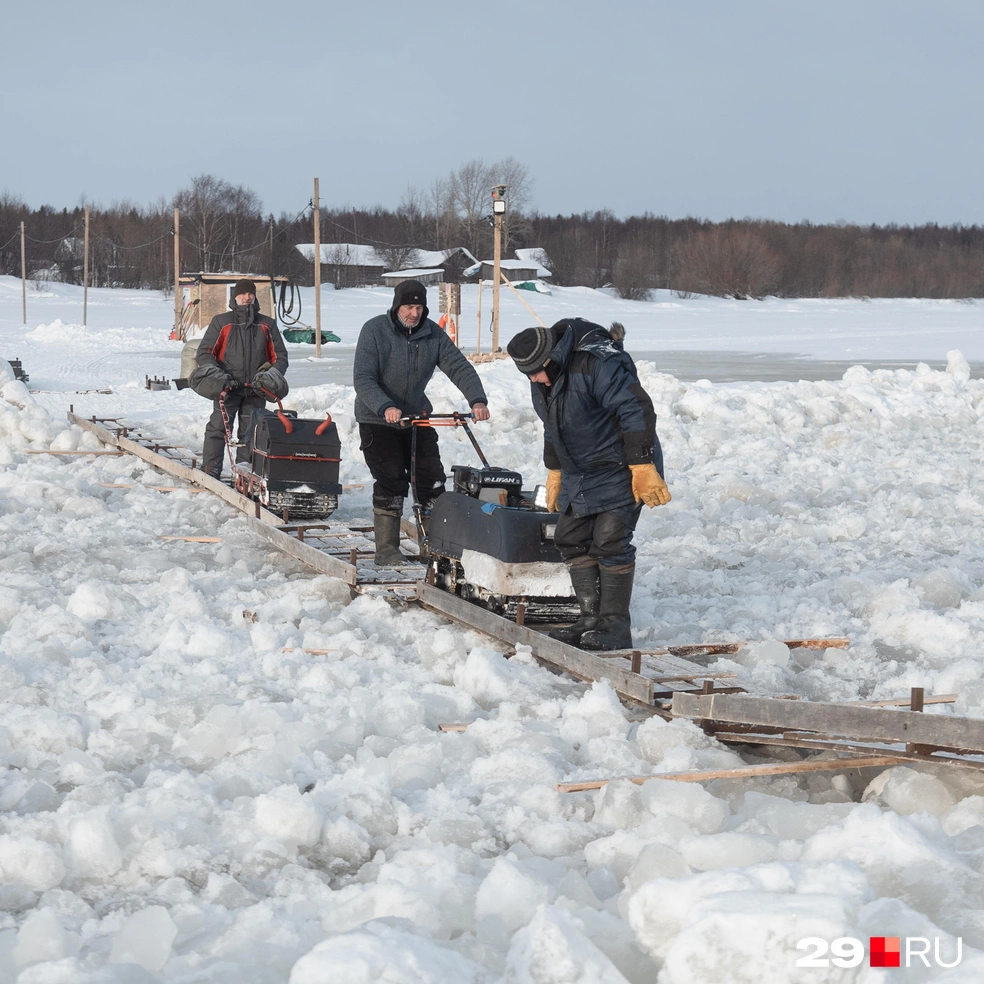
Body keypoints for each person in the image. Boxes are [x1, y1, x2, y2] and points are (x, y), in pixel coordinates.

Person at [506, 318, 670, 650]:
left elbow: (636, 408)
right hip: (579, 470)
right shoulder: (542, 378)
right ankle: (590, 619)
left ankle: (615, 627)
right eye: (528, 375)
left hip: (622, 464)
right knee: (571, 536)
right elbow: (552, 426)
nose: (533, 380)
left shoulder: (598, 364)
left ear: (551, 358)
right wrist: (554, 471)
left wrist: (641, 464)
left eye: (536, 372)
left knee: (610, 541)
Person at [354, 279, 491, 565]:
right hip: (377, 418)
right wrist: (385, 406)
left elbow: (459, 366)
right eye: (408, 306)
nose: (414, 313)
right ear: (396, 306)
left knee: (431, 479)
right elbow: (363, 378)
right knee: (391, 477)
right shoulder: (374, 330)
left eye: (419, 307)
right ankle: (387, 550)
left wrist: (477, 400)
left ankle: (433, 546)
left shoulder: (433, 334)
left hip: (416, 417)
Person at [190, 279, 289, 478]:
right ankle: (211, 471)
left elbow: (280, 357)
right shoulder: (222, 322)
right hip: (227, 389)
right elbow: (205, 354)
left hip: (255, 389)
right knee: (217, 428)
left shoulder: (267, 324)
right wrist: (220, 377)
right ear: (234, 297)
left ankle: (246, 475)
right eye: (242, 294)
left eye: (250, 293)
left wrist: (268, 378)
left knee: (251, 433)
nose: (247, 297)